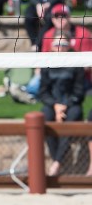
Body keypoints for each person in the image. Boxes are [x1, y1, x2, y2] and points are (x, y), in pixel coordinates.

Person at [39, 32, 86, 176]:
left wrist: (65, 105)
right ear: (52, 46)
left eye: (63, 44)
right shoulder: (47, 64)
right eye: (57, 44)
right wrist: (56, 106)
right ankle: (57, 161)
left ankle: (56, 163)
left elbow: (79, 92)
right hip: (53, 103)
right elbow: (43, 92)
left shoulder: (76, 63)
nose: (60, 47)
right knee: (45, 116)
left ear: (68, 47)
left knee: (74, 115)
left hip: (70, 103)